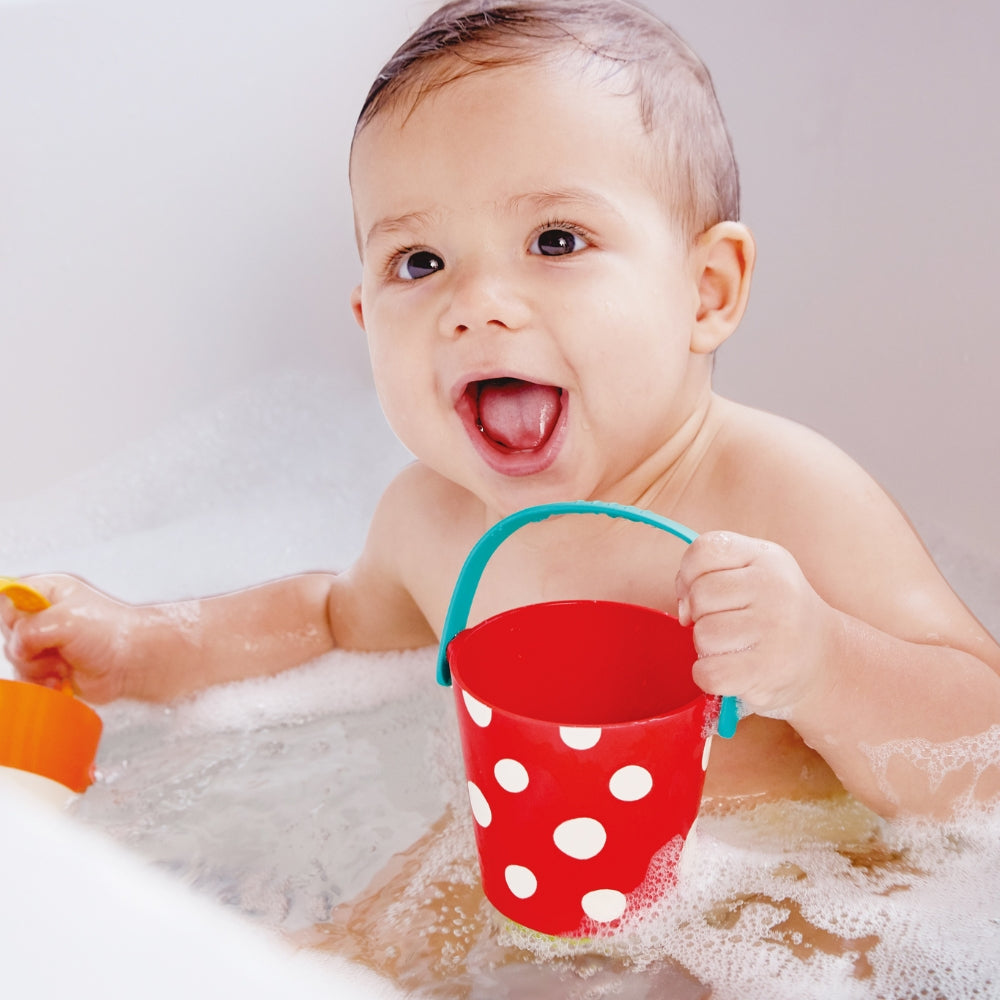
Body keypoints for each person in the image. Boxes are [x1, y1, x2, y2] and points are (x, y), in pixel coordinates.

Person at [2, 0, 998, 820]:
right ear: (364, 317)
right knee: (350, 945)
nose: (473, 303)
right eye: (419, 262)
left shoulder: (782, 494)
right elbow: (329, 619)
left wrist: (820, 658)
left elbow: (983, 749)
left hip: (782, 896)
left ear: (706, 290)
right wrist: (145, 641)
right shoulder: (431, 519)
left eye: (556, 240)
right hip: (509, 862)